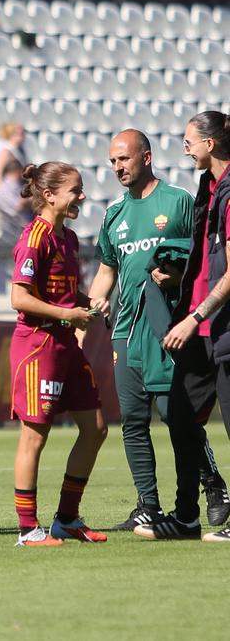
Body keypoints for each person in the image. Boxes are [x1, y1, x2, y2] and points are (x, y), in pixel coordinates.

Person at [87, 129, 229, 531]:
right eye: (113, 161)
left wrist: (176, 276)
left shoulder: (178, 202)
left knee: (175, 414)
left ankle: (212, 483)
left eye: (124, 159)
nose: (117, 167)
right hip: (125, 329)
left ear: (145, 157)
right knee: (132, 419)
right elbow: (106, 269)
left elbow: (201, 255)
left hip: (166, 327)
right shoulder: (114, 214)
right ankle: (147, 504)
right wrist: (96, 301)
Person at [137, 111, 230, 542]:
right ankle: (187, 517)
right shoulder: (207, 188)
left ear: (210, 144)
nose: (185, 146)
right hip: (201, 328)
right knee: (179, 415)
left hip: (219, 328)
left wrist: (196, 316)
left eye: (189, 140)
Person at [8, 162, 109, 547]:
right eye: (75, 190)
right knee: (35, 436)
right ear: (49, 195)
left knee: (95, 428)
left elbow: (64, 295)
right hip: (38, 345)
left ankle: (66, 518)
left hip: (65, 343)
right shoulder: (35, 237)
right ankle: (27, 529)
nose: (81, 196)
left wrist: (89, 304)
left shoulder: (67, 237)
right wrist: (69, 313)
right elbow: (19, 297)